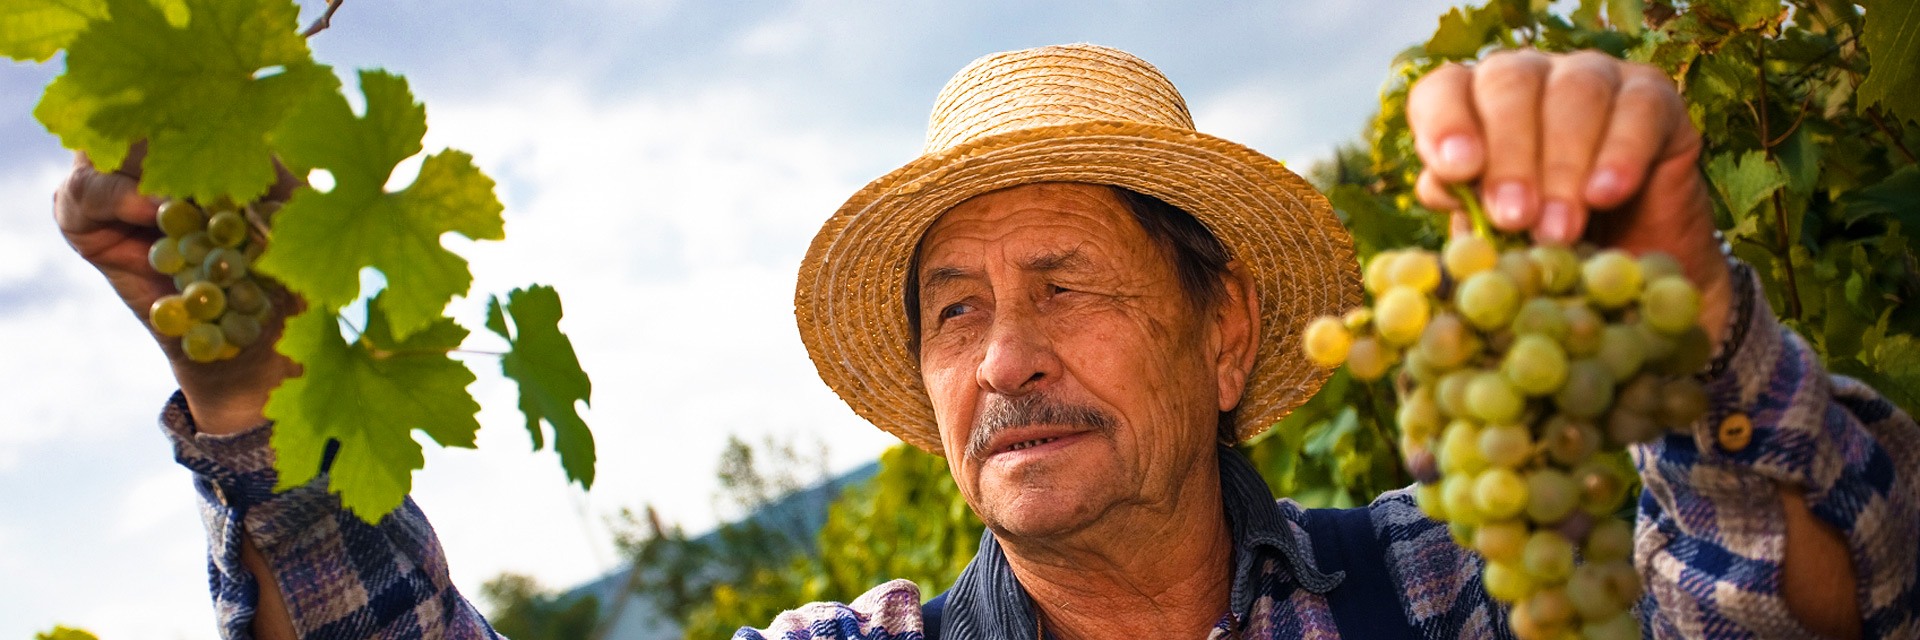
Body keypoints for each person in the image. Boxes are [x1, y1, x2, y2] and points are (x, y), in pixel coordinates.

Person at [52, 43, 1914, 639]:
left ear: (1223, 327)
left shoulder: (1453, 590)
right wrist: (254, 400)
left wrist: (1675, 343)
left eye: (1070, 285)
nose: (1004, 354)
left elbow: (1813, 596)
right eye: (956, 312)